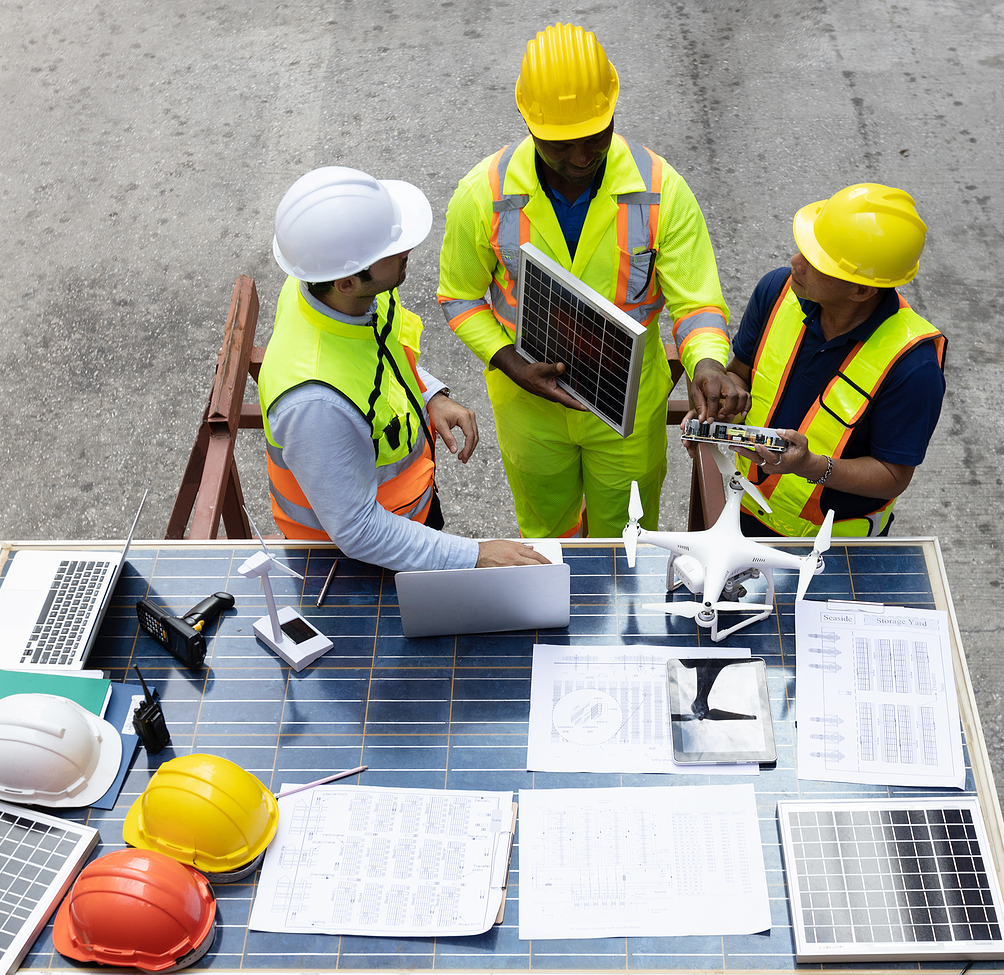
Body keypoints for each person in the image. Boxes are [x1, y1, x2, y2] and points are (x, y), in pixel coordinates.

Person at [436, 22, 747, 539]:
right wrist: (512, 365)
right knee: (547, 536)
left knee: (627, 538)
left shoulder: (659, 189)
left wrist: (708, 362)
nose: (582, 156)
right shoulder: (482, 195)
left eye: (596, 136)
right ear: (528, 120)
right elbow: (459, 297)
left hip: (627, 407)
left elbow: (697, 304)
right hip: (528, 406)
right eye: (562, 143)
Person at [259, 166, 546, 570]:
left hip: (406, 519)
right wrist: (475, 556)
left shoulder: (326, 290)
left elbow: (378, 353)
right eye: (390, 250)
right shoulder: (315, 406)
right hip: (350, 566)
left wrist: (429, 394)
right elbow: (359, 531)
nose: (406, 249)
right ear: (346, 282)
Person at [725, 183, 947, 538]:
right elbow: (739, 373)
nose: (795, 263)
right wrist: (724, 403)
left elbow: (892, 476)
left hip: (831, 551)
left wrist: (812, 466)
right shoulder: (776, 291)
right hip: (739, 512)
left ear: (861, 290)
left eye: (815, 262)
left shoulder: (913, 368)